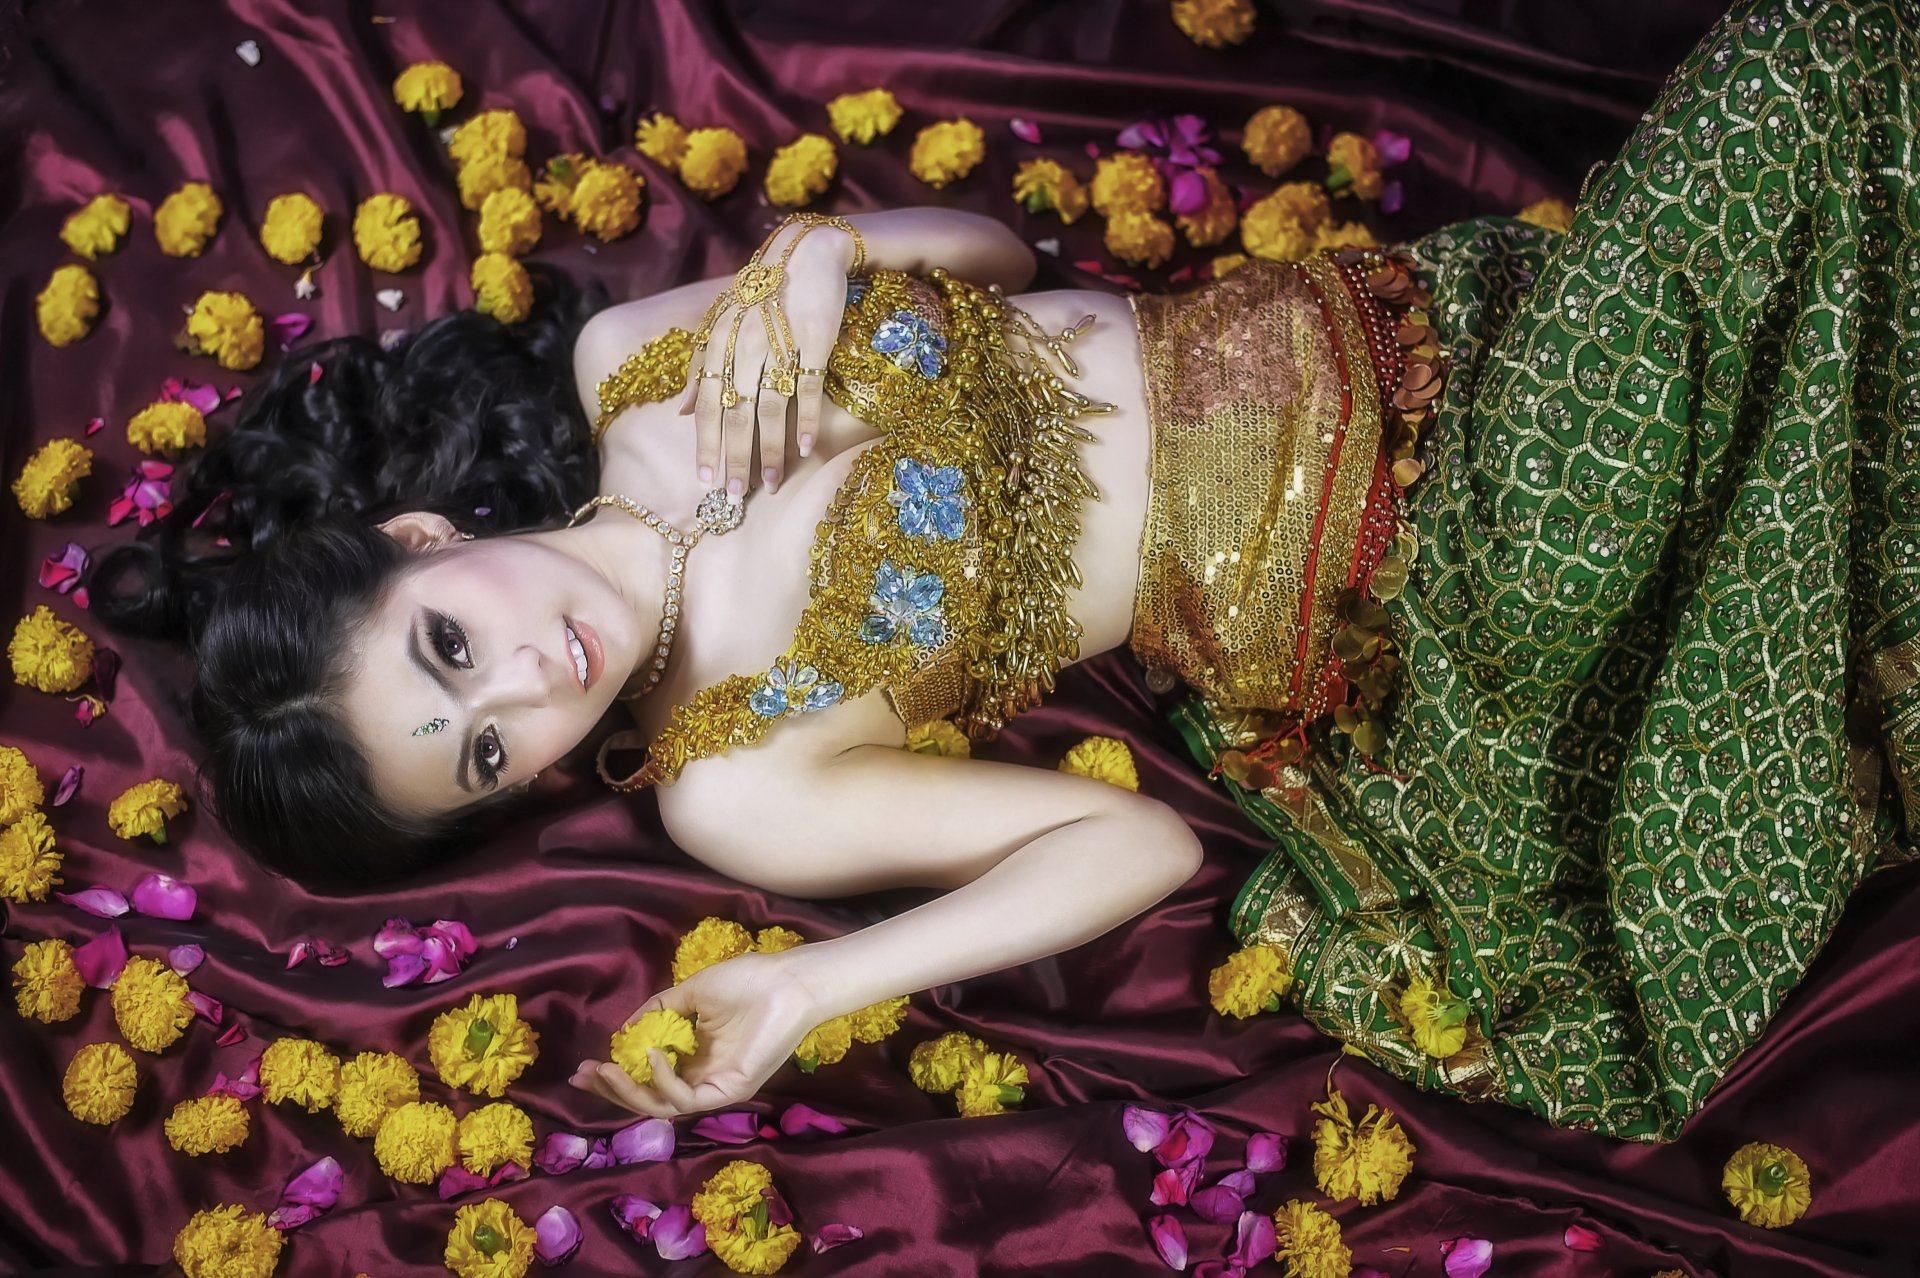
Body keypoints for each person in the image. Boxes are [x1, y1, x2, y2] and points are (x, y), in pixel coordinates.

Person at [90, 0, 1919, 1144]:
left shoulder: (623, 367)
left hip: (1441, 322)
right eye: (479, 752)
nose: (525, 686)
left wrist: (811, 261)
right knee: (1817, 69)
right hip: (1455, 558)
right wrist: (810, 992)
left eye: (447, 645)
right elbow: (1149, 847)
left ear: (425, 540)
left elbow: (998, 244)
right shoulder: (737, 773)